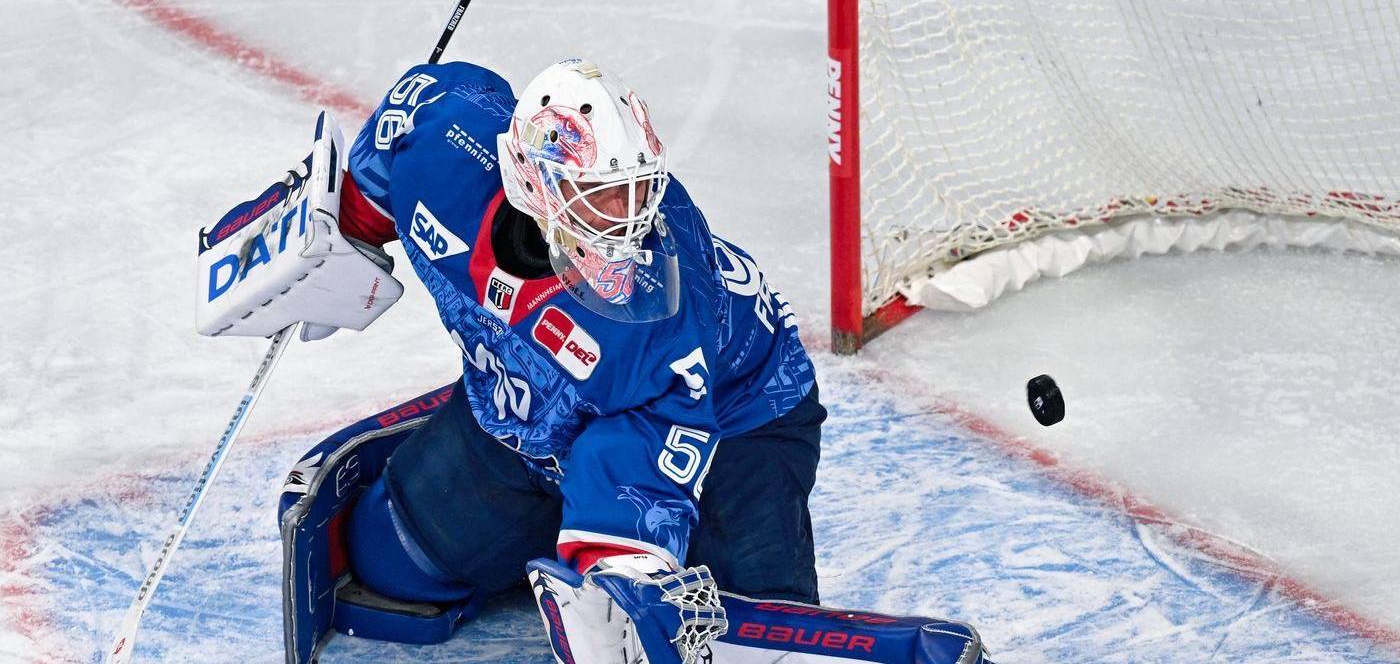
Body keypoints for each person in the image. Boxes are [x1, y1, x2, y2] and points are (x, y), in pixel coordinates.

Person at [199, 59, 982, 663]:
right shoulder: (444, 150)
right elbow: (410, 123)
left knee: (730, 637)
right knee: (387, 565)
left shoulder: (654, 309)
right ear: (533, 184)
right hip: (522, 416)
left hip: (737, 417)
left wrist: (618, 578)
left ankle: (590, 533)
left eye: (636, 191)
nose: (630, 219)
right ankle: (549, 521)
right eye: (603, 197)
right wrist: (335, 229)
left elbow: (639, 455)